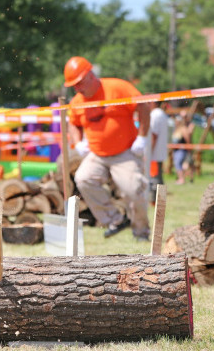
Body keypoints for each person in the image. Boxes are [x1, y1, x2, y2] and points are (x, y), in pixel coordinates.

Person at [64, 56, 151, 241]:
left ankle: (141, 233)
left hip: (125, 152)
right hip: (97, 154)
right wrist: (78, 142)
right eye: (73, 86)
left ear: (90, 75)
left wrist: (142, 137)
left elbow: (143, 106)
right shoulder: (77, 101)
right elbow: (73, 123)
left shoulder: (118, 88)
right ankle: (115, 220)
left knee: (133, 189)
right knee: (83, 178)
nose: (77, 89)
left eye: (79, 83)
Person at [149, 101, 169, 204]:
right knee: (157, 178)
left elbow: (154, 135)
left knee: (154, 179)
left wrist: (149, 151)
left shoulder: (155, 114)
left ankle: (155, 201)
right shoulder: (161, 114)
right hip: (158, 152)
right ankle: (159, 201)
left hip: (154, 153)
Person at [172, 111, 193, 185]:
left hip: (182, 150)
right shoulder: (177, 128)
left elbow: (187, 139)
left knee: (181, 164)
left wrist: (189, 149)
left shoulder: (184, 128)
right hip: (177, 150)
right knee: (180, 164)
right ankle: (182, 178)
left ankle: (182, 179)